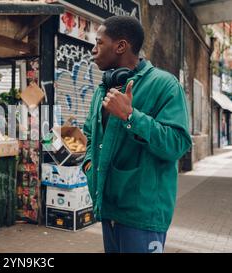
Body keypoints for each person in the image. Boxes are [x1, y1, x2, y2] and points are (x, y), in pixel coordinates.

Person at [82, 16, 192, 253]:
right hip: (108, 209)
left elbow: (178, 143)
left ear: (120, 46)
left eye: (99, 42)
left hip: (142, 216)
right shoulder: (104, 89)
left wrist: (131, 117)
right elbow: (89, 135)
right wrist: (89, 165)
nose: (93, 49)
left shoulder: (165, 85)